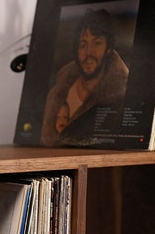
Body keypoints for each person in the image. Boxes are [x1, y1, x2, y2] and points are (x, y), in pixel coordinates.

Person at [40, 8, 129, 145]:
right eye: (83, 45)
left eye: (97, 43)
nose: (89, 53)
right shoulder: (58, 91)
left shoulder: (121, 99)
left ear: (109, 48)